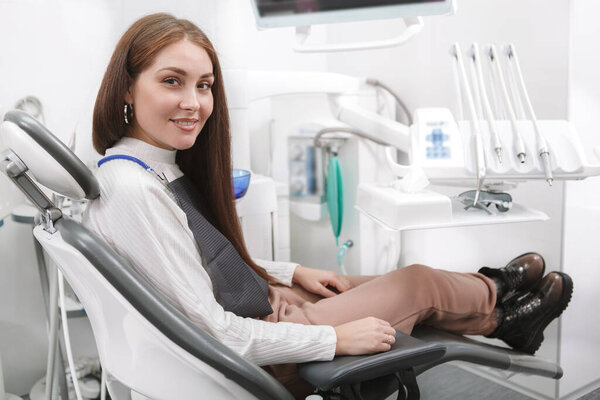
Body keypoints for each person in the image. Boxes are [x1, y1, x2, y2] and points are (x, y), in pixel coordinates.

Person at [82, 13, 573, 398]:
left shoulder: (147, 166)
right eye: (172, 81)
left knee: (387, 282)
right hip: (263, 348)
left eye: (204, 85)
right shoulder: (133, 188)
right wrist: (335, 341)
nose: (194, 102)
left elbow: (191, 264)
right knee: (414, 282)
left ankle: (502, 307)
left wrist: (292, 271)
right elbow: (212, 332)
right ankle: (499, 308)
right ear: (128, 86)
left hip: (267, 305)